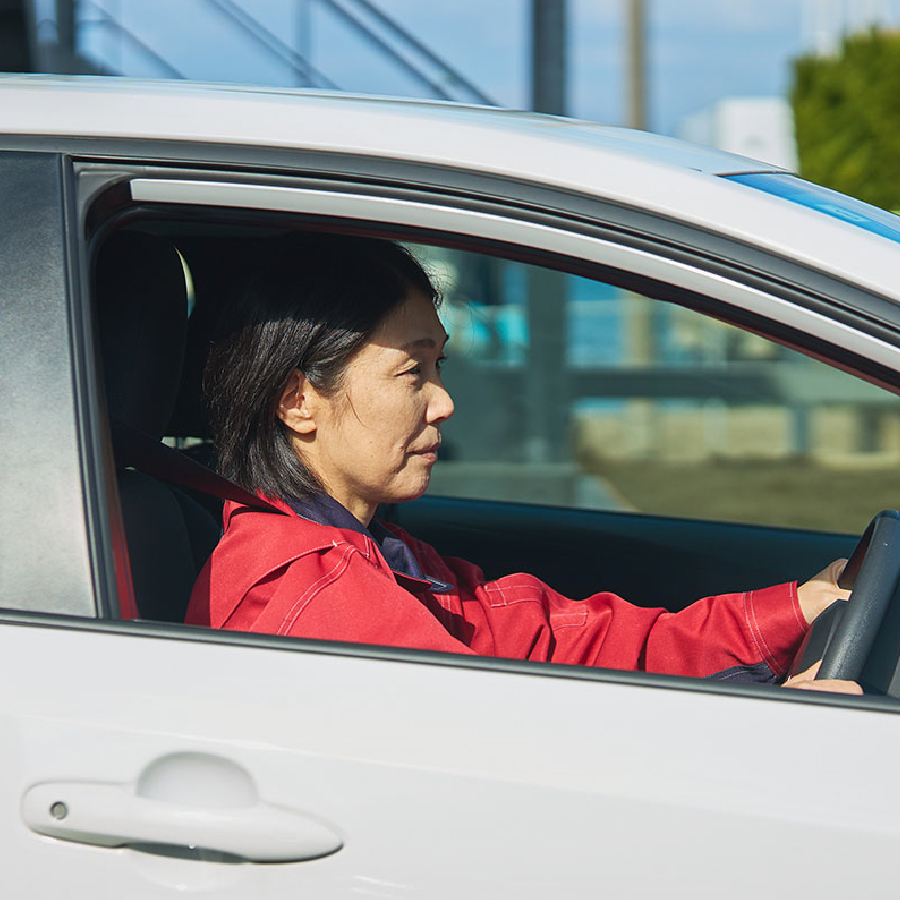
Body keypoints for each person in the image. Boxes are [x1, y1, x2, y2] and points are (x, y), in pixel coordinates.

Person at [185, 233, 860, 694]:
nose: (444, 402)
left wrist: (792, 611)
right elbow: (522, 749)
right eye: (410, 372)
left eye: (438, 365)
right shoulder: (321, 604)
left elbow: (570, 641)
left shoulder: (374, 555)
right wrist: (762, 713)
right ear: (299, 400)